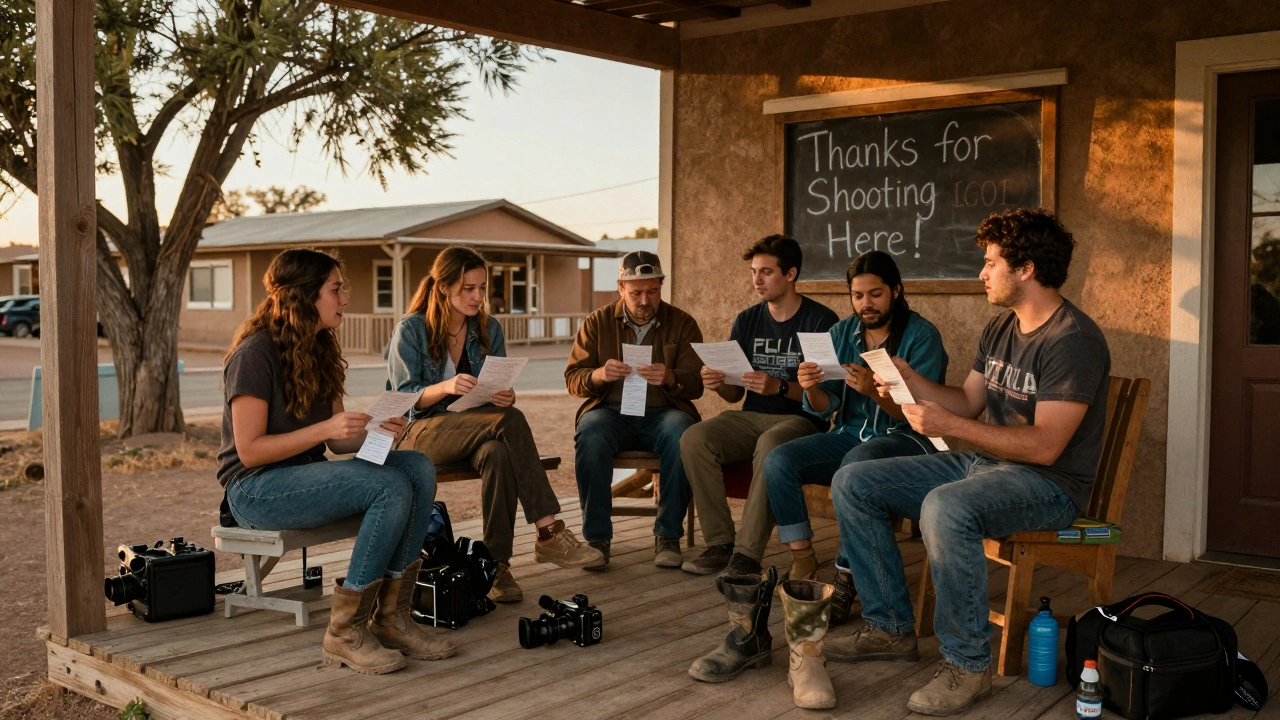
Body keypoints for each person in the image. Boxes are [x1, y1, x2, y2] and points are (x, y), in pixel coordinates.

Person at [826, 208, 1110, 716]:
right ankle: (891, 628)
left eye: (990, 262)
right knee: (853, 481)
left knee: (946, 509)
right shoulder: (1000, 327)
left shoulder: (1073, 340)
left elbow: (1046, 447)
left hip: (1047, 486)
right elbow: (966, 403)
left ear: (1024, 268)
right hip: (982, 466)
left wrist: (951, 428)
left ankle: (967, 664)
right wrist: (911, 381)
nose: (982, 272)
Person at [218, 248, 452, 676]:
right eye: (336, 289)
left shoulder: (319, 347)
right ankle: (345, 632)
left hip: (304, 475)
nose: (345, 298)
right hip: (254, 488)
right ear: (305, 296)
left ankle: (391, 618)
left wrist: (376, 428)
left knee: (416, 466)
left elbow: (342, 445)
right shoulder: (254, 354)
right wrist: (325, 431)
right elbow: (250, 450)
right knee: (388, 485)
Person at [388, 246, 602, 603]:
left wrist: (505, 396)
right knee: (510, 422)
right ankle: (548, 532)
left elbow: (496, 388)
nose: (477, 296)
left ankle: (496, 567)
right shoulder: (411, 329)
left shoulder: (488, 328)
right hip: (420, 432)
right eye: (468, 288)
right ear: (444, 287)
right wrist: (445, 386)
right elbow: (403, 397)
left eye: (482, 288)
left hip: (476, 428)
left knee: (499, 451)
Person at [763, 250, 947, 592]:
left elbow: (923, 414)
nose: (866, 304)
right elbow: (823, 406)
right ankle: (802, 554)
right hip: (851, 434)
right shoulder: (841, 332)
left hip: (908, 440)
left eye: (875, 294)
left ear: (896, 290)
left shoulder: (922, 335)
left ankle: (847, 576)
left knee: (856, 464)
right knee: (779, 460)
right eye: (857, 295)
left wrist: (875, 393)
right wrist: (811, 386)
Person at [680, 235, 838, 579]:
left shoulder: (821, 320)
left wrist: (779, 386)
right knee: (695, 438)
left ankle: (746, 555)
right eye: (754, 272)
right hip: (750, 415)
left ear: (791, 273)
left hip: (800, 421)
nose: (757, 280)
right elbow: (734, 396)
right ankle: (721, 544)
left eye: (766, 272)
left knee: (770, 446)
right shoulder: (748, 320)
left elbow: (829, 399)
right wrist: (718, 382)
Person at [565, 250, 705, 570]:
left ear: (661, 287)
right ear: (620, 288)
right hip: (610, 411)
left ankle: (668, 536)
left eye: (653, 292)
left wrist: (670, 377)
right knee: (590, 432)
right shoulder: (597, 322)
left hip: (664, 412)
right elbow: (573, 379)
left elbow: (696, 384)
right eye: (636, 293)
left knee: (682, 431)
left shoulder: (682, 323)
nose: (645, 300)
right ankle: (598, 539)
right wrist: (599, 374)